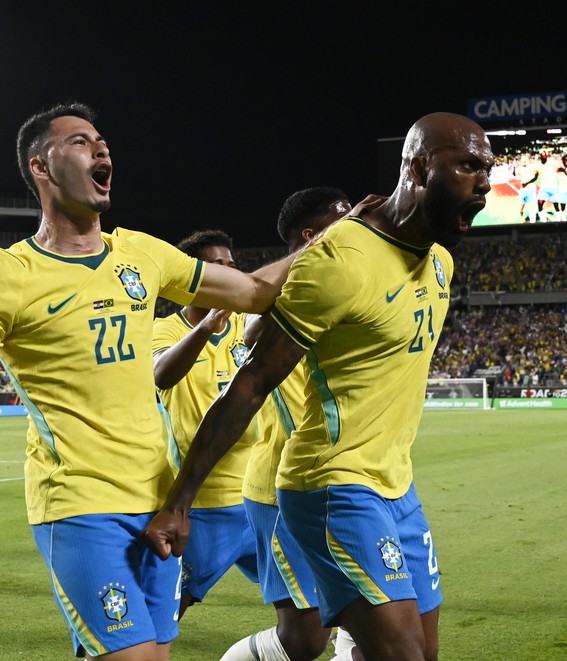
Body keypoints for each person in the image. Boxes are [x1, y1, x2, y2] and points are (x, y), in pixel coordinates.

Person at [0, 101, 300, 661]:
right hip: (79, 503)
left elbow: (254, 292)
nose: (101, 148)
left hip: (157, 500)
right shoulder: (5, 278)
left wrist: (335, 241)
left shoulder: (141, 255)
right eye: (79, 141)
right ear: (40, 166)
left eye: (101, 141)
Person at [143, 112, 494, 661]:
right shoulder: (343, 259)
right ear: (420, 168)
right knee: (361, 647)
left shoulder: (442, 266)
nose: (486, 183)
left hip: (396, 487)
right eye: (469, 165)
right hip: (331, 484)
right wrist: (179, 501)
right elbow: (252, 379)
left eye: (489, 169)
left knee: (419, 652)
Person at [221, 187, 355, 661]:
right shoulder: (280, 297)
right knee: (303, 639)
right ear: (310, 235)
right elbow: (252, 330)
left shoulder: (346, 282)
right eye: (344, 219)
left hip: (348, 480)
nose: (356, 225)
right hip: (283, 485)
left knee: (377, 618)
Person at [152, 228, 260, 619]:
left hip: (260, 497)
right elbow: (161, 374)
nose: (230, 273)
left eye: (233, 266)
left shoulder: (248, 326)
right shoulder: (164, 330)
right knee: (165, 611)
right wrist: (204, 327)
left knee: (310, 607)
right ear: (194, 275)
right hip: (203, 504)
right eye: (218, 266)